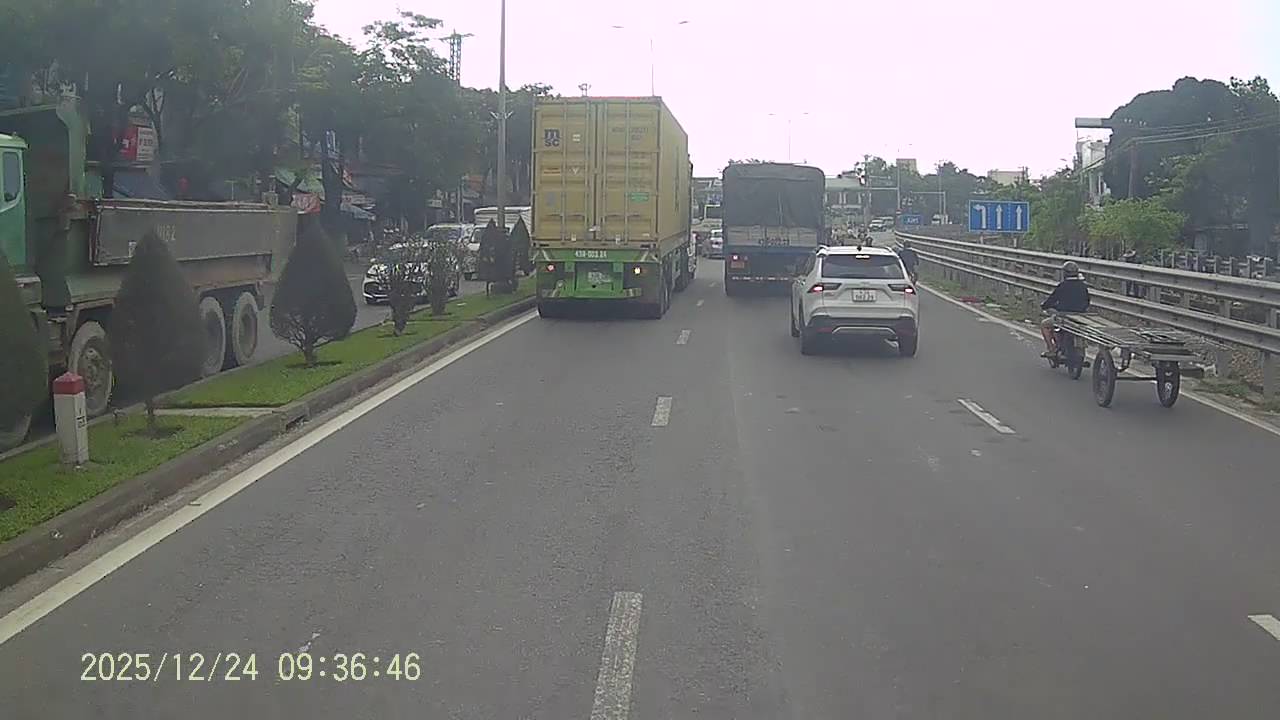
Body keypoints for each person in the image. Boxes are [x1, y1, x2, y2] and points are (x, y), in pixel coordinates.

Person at [1040, 260, 1091, 357]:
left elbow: (1051, 300)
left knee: (1044, 325)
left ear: (1064, 273)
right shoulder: (1083, 286)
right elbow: (1087, 301)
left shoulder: (1063, 286)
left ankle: (1051, 349)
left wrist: (1044, 306)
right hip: (1080, 317)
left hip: (1064, 316)